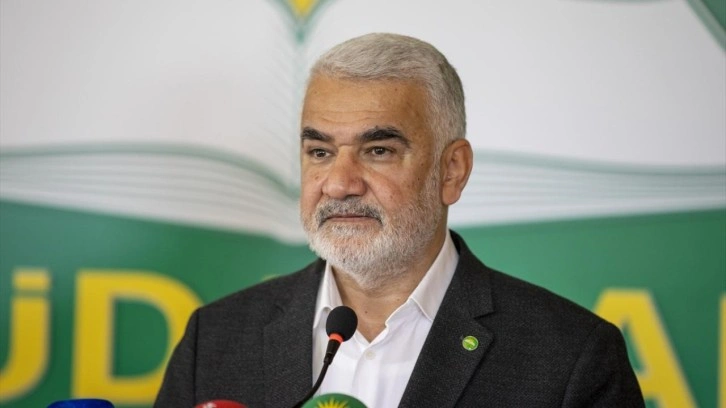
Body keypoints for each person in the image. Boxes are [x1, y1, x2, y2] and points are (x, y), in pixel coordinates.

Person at [155, 33, 644, 408]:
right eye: (320, 151)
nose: (339, 184)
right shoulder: (215, 339)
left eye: (379, 151)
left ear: (452, 171)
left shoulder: (571, 357)